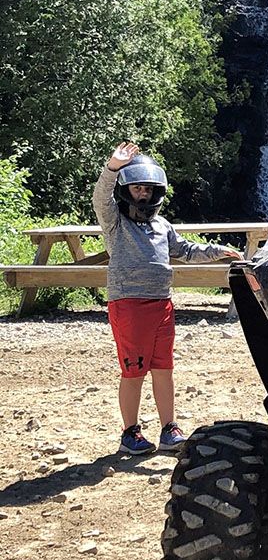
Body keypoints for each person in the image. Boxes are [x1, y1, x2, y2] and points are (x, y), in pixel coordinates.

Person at [93, 143, 242, 454]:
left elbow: (185, 250)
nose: (143, 194)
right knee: (134, 370)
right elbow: (100, 200)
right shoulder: (116, 224)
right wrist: (111, 169)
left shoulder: (161, 226)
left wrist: (217, 251)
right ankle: (130, 432)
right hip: (129, 305)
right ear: (125, 191)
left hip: (162, 304)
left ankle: (168, 429)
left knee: (164, 368)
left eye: (147, 188)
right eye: (136, 188)